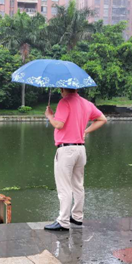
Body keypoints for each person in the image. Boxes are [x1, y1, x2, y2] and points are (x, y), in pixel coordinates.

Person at [44, 88, 107, 231]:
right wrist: (86, 131)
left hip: (66, 150)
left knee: (64, 187)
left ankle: (63, 221)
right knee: (78, 185)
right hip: (80, 149)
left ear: (62, 89)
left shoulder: (64, 102)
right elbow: (102, 119)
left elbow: (59, 124)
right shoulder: (86, 103)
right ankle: (77, 217)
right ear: (76, 88)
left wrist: (49, 116)